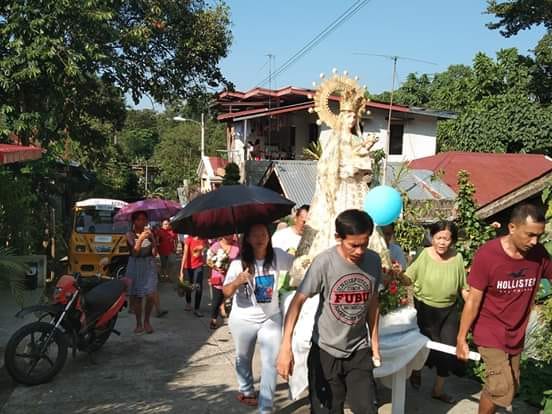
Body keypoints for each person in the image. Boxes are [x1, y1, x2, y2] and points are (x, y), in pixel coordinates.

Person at [277, 209, 381, 414]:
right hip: (325, 350)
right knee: (327, 410)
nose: (360, 251)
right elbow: (297, 302)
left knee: (367, 408)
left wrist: (375, 342)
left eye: (365, 244)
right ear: (338, 238)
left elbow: (373, 302)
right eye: (353, 245)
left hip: (358, 348)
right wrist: (285, 347)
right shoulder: (324, 262)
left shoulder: (374, 261)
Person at [456, 204, 552, 414]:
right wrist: (461, 338)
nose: (535, 242)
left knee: (510, 386)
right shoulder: (488, 255)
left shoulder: (538, 254)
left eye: (539, 236)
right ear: (512, 228)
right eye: (530, 235)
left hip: (516, 331)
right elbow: (473, 300)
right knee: (501, 388)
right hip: (489, 330)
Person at [223, 223, 293, 413]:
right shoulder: (238, 264)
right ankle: (246, 390)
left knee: (271, 362)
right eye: (255, 235)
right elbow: (226, 292)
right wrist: (238, 280)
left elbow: (299, 263)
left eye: (263, 234)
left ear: (269, 236)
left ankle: (266, 407)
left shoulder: (278, 256)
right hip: (242, 319)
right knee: (243, 357)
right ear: (248, 240)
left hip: (270, 318)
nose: (260, 238)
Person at [404, 220, 468, 404]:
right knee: (424, 345)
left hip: (449, 310)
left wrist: (472, 302)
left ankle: (438, 390)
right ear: (432, 237)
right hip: (426, 309)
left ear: (452, 240)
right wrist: (399, 275)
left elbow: (464, 287)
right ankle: (416, 370)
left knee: (447, 349)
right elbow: (409, 278)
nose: (442, 242)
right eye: (438, 237)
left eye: (446, 239)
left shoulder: (457, 257)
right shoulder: (424, 255)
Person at [126, 211, 159, 334]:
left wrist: (153, 239)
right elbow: (134, 253)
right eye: (139, 219)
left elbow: (155, 253)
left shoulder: (150, 234)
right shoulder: (129, 234)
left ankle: (147, 321)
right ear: (134, 221)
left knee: (150, 295)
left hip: (149, 265)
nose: (142, 222)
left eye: (144, 219)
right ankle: (139, 323)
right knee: (138, 297)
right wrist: (140, 239)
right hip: (136, 265)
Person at [206, 234, 240, 329]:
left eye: (231, 233)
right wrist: (216, 267)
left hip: (233, 278)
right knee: (216, 300)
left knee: (233, 300)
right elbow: (208, 260)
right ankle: (213, 319)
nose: (229, 236)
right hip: (218, 277)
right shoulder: (216, 246)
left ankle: (232, 321)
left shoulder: (237, 246)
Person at [180, 235, 207, 317]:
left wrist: (203, 251)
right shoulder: (188, 240)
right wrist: (181, 270)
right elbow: (185, 254)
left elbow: (205, 252)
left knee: (198, 287)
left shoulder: (204, 239)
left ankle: (197, 309)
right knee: (188, 286)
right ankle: (188, 303)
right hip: (188, 267)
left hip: (199, 266)